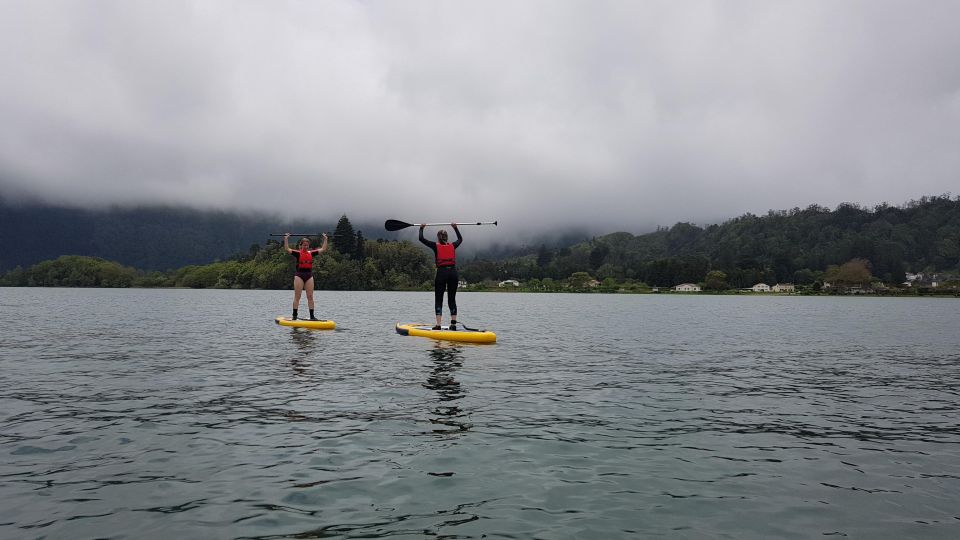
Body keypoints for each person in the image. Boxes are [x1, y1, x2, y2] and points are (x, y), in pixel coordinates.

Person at [419, 223, 462, 330]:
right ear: (447, 237)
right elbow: (460, 239)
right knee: (452, 299)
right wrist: (455, 228)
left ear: (438, 238)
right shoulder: (453, 245)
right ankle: (453, 324)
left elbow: (421, 238)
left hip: (442, 273)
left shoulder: (435, 245)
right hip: (453, 273)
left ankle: (438, 325)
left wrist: (421, 228)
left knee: (439, 299)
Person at [284, 233, 328, 320]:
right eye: (304, 245)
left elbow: (323, 249)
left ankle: (312, 316)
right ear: (301, 245)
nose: (306, 246)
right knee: (298, 296)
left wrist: (325, 239)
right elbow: (287, 249)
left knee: (310, 296)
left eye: (307, 245)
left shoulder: (311, 253)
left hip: (309, 276)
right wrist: (286, 239)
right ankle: (294, 316)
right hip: (299, 275)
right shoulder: (297, 253)